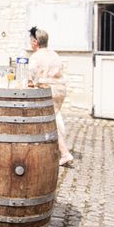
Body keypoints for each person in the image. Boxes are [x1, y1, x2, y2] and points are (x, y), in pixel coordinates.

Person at [29, 26, 74, 166]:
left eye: (31, 40)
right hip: (60, 89)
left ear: (35, 41)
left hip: (47, 90)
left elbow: (30, 76)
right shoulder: (54, 54)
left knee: (51, 121)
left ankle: (65, 153)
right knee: (54, 117)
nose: (30, 43)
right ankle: (57, 148)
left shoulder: (36, 57)